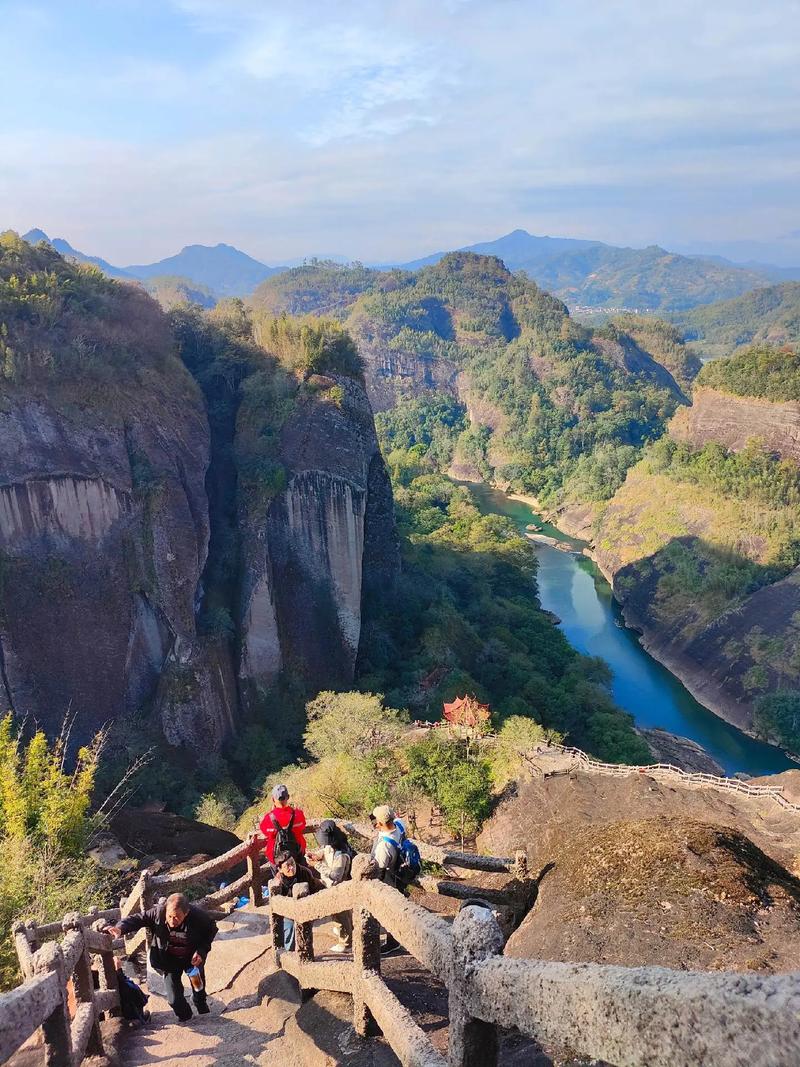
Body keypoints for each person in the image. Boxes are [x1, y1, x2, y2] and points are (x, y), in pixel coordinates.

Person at [107, 893, 217, 1023]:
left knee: (198, 986)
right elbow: (137, 919)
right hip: (169, 961)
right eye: (169, 916)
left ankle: (200, 1004)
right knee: (174, 1000)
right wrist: (120, 928)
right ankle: (186, 1017)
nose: (172, 920)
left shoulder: (198, 917)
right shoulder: (158, 913)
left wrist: (201, 951)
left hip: (191, 960)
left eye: (177, 917)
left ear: (186, 913)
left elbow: (211, 930)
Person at [306, 819, 354, 953]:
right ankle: (347, 931)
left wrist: (316, 865)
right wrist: (316, 856)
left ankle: (346, 943)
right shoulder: (334, 844)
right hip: (334, 886)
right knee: (341, 913)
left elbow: (335, 876)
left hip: (338, 887)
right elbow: (325, 851)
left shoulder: (341, 855)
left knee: (340, 914)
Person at [268, 849, 324, 951]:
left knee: (305, 931)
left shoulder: (304, 872)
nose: (292, 867)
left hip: (305, 906)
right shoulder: (278, 881)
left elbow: (314, 888)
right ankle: (289, 953)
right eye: (287, 866)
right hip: (288, 910)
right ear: (280, 869)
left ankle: (305, 951)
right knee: (289, 929)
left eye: (292, 863)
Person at [369, 805, 405, 955]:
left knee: (389, 910)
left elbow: (380, 868)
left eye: (375, 821)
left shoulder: (384, 846)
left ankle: (392, 941)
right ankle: (394, 940)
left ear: (380, 824)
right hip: (400, 874)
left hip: (390, 879)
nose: (373, 823)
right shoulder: (400, 825)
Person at [259, 784, 307, 869]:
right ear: (288, 797)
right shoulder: (298, 814)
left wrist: (273, 812)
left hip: (277, 859)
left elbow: (265, 831)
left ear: (273, 799)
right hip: (297, 854)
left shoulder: (269, 818)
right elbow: (302, 826)